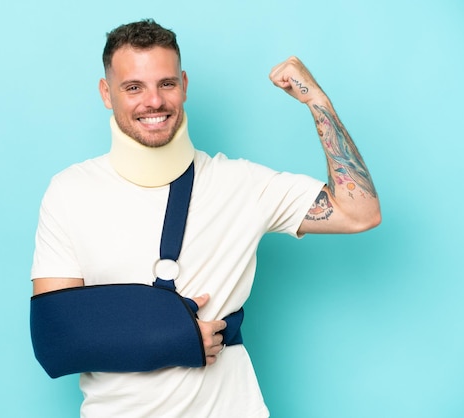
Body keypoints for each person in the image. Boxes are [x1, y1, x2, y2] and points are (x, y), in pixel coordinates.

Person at [30, 18, 381, 418]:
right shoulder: (70, 191)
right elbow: (57, 336)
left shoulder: (241, 183)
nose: (154, 101)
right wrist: (173, 336)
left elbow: (360, 212)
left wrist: (316, 99)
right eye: (133, 87)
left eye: (166, 84)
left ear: (184, 84)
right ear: (106, 93)